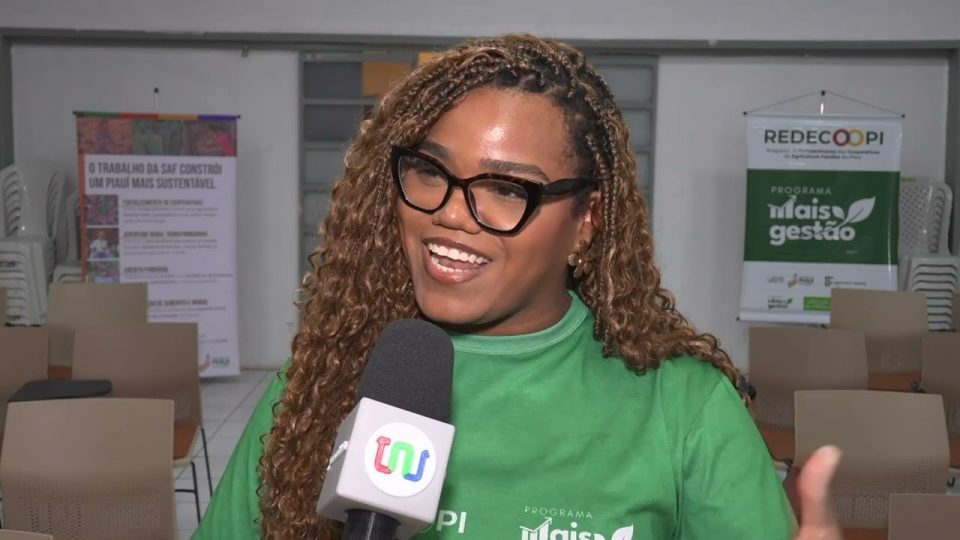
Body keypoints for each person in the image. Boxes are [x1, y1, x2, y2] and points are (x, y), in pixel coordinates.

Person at [194, 34, 842, 540]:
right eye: (430, 172)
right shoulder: (322, 380)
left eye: (506, 189)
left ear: (586, 220)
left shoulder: (684, 407)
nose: (451, 213)